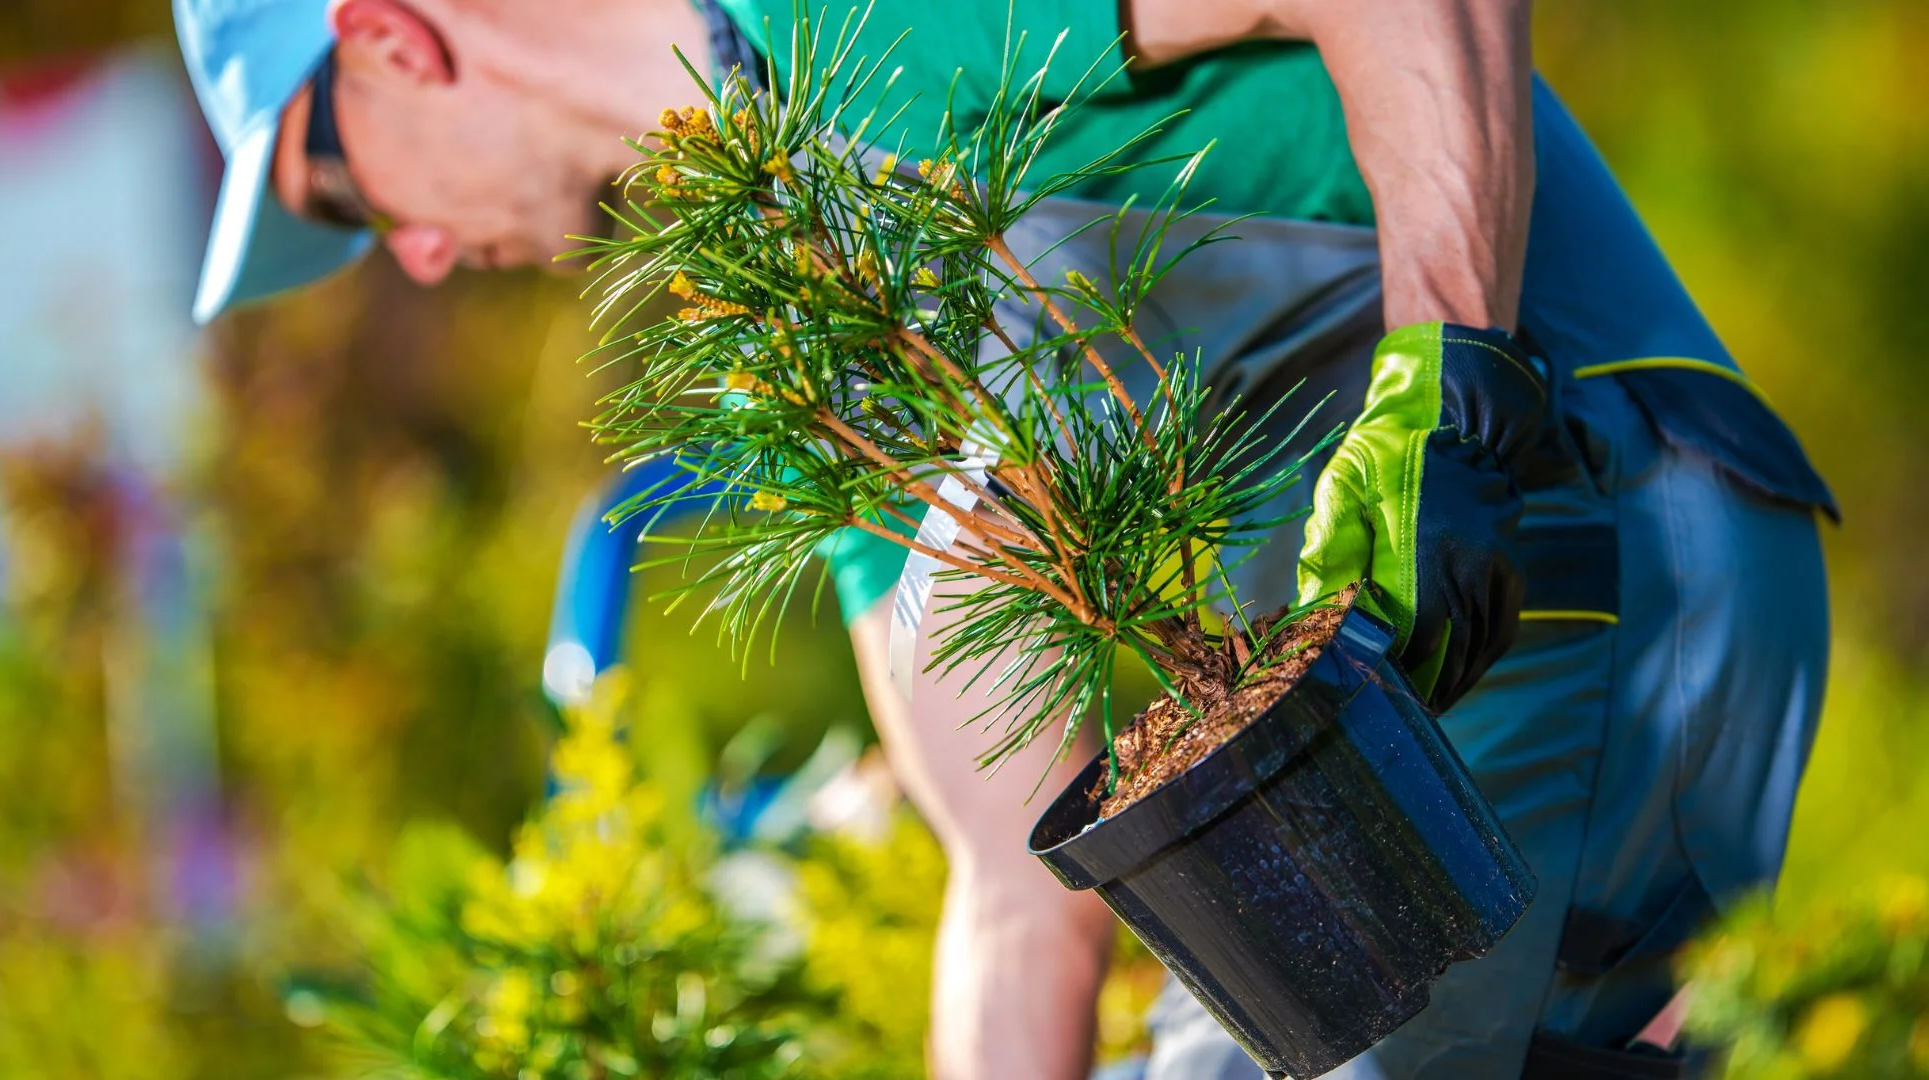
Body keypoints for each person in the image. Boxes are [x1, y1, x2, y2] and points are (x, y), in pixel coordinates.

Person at [171, 1, 1838, 1076]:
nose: (418, 258)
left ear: (389, 36)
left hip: (1575, 525)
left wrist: (1451, 379)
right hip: (1370, 731)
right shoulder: (801, 309)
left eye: (342, 198)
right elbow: (1008, 874)